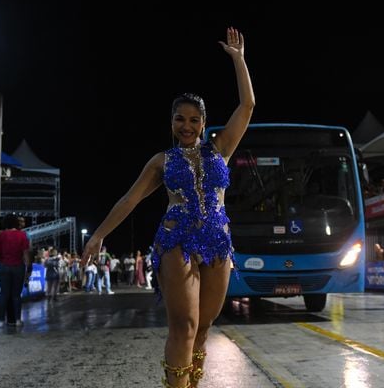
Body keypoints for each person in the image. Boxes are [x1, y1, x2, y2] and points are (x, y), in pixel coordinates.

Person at [81, 27, 254, 387]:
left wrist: (238, 60)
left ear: (204, 123)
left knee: (204, 327)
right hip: (177, 241)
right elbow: (129, 199)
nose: (187, 125)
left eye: (194, 119)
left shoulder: (221, 148)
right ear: (171, 122)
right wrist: (99, 235)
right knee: (185, 326)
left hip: (218, 243)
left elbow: (248, 105)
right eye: (180, 119)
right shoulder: (161, 160)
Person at [0, 213, 31, 327]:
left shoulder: (0, 235)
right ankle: (18, 320)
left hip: (4, 266)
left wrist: (3, 257)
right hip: (18, 267)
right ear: (16, 223)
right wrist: (28, 267)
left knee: (4, 294)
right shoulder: (22, 235)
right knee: (16, 295)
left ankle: (0, 321)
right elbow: (25, 253)